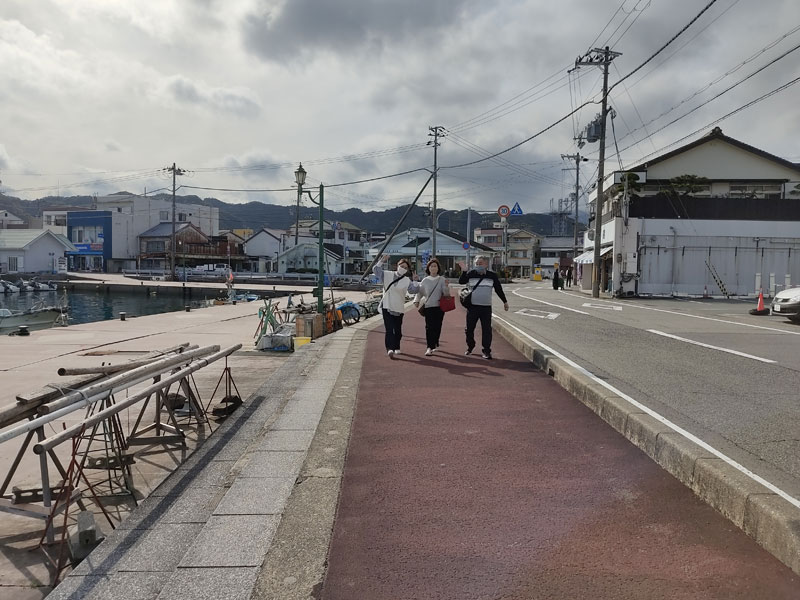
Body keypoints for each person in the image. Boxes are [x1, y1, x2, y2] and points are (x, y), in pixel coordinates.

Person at [458, 256, 509, 360]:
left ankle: (486, 351)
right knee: (469, 329)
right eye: (477, 263)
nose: (478, 265)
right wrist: (464, 271)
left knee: (487, 330)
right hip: (472, 307)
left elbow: (498, 289)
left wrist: (505, 301)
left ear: (486, 264)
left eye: (480, 263)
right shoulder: (471, 273)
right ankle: (470, 346)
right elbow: (461, 281)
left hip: (486, 307)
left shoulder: (492, 276)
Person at [374, 254, 417, 358]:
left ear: (408, 270)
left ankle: (397, 346)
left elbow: (413, 291)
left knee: (398, 330)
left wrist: (415, 280)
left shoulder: (407, 280)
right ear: (397, 266)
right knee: (389, 329)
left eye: (405, 268)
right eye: (401, 266)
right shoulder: (387, 274)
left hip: (398, 307)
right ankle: (389, 348)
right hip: (387, 305)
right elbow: (376, 270)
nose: (403, 268)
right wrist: (382, 260)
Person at [413, 257, 451, 356]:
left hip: (439, 307)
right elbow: (420, 293)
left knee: (438, 326)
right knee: (429, 327)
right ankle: (429, 347)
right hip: (429, 306)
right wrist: (416, 301)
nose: (433, 268)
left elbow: (446, 294)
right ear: (428, 268)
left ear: (438, 268)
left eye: (435, 266)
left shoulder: (442, 279)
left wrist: (446, 287)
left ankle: (435, 342)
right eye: (431, 266)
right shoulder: (425, 280)